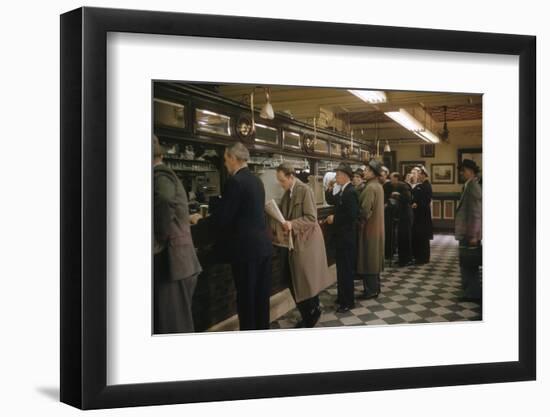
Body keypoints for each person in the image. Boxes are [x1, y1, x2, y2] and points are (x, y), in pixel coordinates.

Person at [195, 142, 273, 330]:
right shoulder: (256, 180)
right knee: (260, 299)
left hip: (246, 252)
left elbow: (223, 219)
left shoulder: (235, 182)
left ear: (232, 158)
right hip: (263, 247)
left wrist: (199, 222)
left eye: (225, 159)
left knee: (246, 300)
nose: (224, 164)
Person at [273, 164, 333, 327]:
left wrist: (292, 224)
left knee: (303, 280)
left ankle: (311, 315)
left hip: (307, 242)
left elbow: (311, 218)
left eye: (282, 180)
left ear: (291, 176)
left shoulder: (305, 190)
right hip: (295, 243)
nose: (281, 184)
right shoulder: (287, 194)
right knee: (297, 280)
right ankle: (312, 312)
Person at [153, 135, 202, 334]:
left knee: (174, 325)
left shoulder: (161, 175)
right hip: (179, 261)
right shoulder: (163, 174)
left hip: (174, 261)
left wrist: (158, 237)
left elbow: (163, 200)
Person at [325, 163, 359, 313]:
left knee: (345, 271)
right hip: (341, 238)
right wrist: (329, 188)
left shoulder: (350, 192)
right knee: (341, 270)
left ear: (345, 176)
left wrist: (335, 218)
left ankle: (348, 302)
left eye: (338, 175)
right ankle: (342, 297)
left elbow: (352, 215)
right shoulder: (343, 191)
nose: (336, 177)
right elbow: (333, 201)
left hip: (346, 238)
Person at [356, 159, 385, 299]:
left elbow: (365, 210)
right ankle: (375, 288)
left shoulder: (370, 188)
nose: (364, 172)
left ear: (373, 172)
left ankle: (371, 290)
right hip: (377, 228)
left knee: (369, 259)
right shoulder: (378, 186)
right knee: (373, 258)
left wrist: (358, 221)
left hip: (369, 229)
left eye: (367, 170)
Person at [455, 159, 482, 303]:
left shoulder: (473, 186)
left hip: (469, 234)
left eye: (463, 170)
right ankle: (469, 292)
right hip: (467, 233)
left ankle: (472, 293)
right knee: (466, 264)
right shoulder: (468, 185)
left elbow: (476, 213)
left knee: (469, 265)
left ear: (471, 171)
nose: (461, 172)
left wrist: (473, 235)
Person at [390, 172, 413, 266]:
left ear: (396, 178)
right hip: (401, 215)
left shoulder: (403, 186)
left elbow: (408, 198)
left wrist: (397, 196)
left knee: (405, 238)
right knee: (401, 238)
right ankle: (402, 258)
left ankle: (406, 259)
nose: (390, 180)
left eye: (391, 178)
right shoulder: (398, 186)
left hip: (406, 215)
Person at [411, 165, 433, 264]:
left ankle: (423, 258)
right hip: (420, 215)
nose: (418, 176)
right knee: (420, 237)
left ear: (423, 175)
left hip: (423, 215)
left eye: (419, 174)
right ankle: (420, 257)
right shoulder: (421, 185)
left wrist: (417, 204)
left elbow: (426, 200)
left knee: (423, 237)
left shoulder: (426, 185)